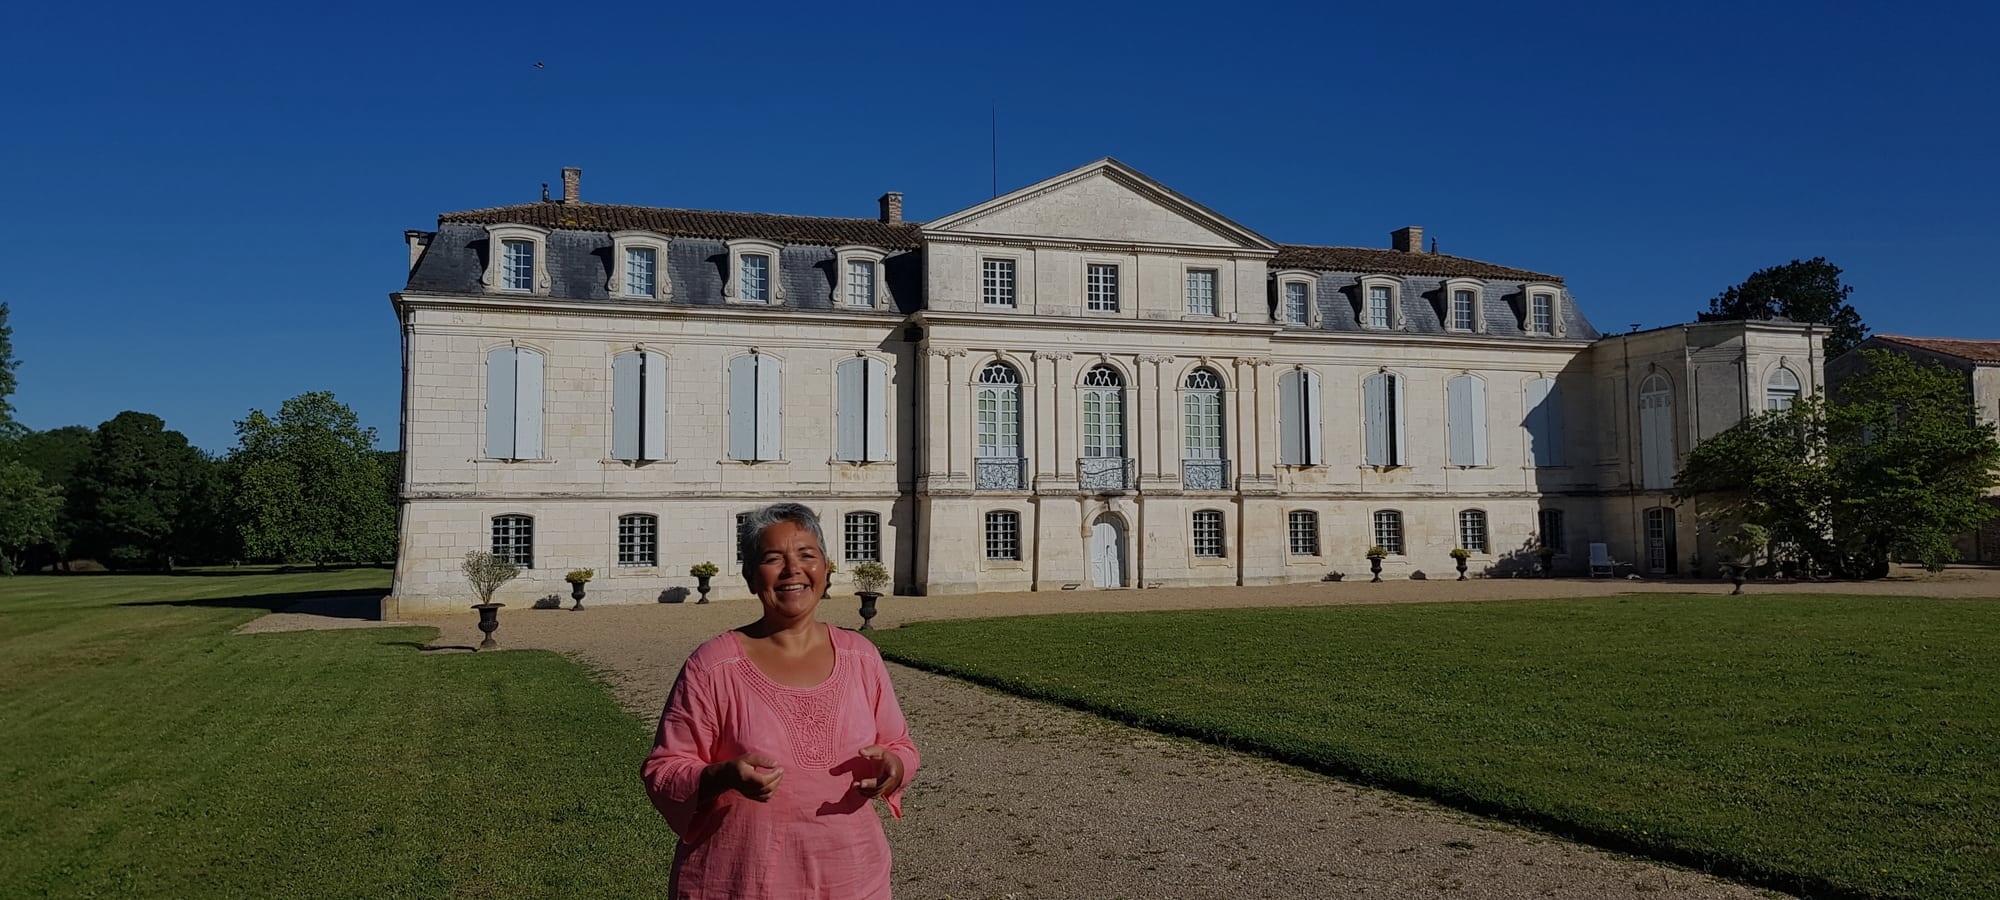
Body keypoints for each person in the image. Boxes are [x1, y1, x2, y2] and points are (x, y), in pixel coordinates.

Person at [642, 502, 919, 899]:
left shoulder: (861, 656)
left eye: (807, 555)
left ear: (825, 569)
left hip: (851, 879)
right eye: (773, 559)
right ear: (751, 577)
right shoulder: (714, 666)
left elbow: (901, 746)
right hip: (740, 882)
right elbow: (664, 770)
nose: (793, 570)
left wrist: (896, 767)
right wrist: (721, 776)